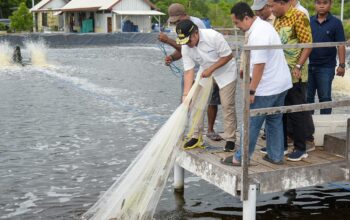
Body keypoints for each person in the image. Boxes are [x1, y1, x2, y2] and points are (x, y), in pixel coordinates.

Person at [221, 2, 292, 166]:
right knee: (274, 120)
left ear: (246, 18)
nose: (236, 26)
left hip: (267, 87)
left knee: (252, 123)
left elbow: (260, 65)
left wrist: (251, 91)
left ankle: (240, 158)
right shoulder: (263, 27)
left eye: (237, 23)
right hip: (281, 84)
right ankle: (276, 156)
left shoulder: (258, 33)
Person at [158, 3, 224, 143]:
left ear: (184, 15)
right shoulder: (179, 27)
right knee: (186, 100)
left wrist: (168, 40)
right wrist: (172, 57)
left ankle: (210, 130)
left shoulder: (196, 24)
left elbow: (191, 44)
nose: (175, 24)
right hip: (190, 70)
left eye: (177, 21)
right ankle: (184, 132)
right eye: (174, 22)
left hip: (207, 68)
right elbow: (183, 49)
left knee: (211, 100)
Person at [175, 19, 238, 151]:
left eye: (188, 40)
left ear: (196, 33)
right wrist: (186, 95)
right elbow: (188, 72)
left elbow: (228, 56)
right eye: (184, 41)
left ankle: (230, 139)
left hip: (225, 72)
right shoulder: (186, 48)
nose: (187, 44)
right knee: (195, 103)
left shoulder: (213, 36)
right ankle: (196, 136)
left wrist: (211, 69)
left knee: (227, 105)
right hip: (205, 73)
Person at [267, 0, 313, 161]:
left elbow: (307, 45)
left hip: (296, 73)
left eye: (272, 6)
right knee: (281, 110)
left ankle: (301, 148)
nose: (271, 10)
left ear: (282, 2)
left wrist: (299, 66)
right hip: (280, 73)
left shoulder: (299, 16)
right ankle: (283, 146)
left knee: (296, 111)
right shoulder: (278, 18)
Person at [307, 0, 346, 114]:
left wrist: (342, 65)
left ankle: (326, 123)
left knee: (325, 98)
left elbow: (341, 45)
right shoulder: (309, 21)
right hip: (309, 65)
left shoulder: (336, 23)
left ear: (330, 4)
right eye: (318, 3)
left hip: (326, 67)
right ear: (315, 5)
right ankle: (307, 127)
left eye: (325, 3)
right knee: (307, 98)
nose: (322, 5)